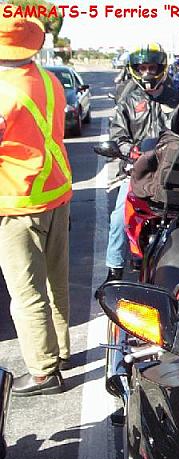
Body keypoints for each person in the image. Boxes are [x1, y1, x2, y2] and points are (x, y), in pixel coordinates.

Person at [0, 11, 72, 396]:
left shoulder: (3, 91)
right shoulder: (50, 80)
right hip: (55, 193)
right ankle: (61, 352)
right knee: (56, 282)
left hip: (17, 202)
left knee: (26, 293)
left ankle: (44, 373)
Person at [104, 43, 179, 283]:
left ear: (161, 68)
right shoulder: (128, 102)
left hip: (172, 172)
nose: (147, 73)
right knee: (119, 218)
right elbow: (118, 135)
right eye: (142, 68)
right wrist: (130, 152)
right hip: (136, 171)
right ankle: (114, 270)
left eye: (152, 67)